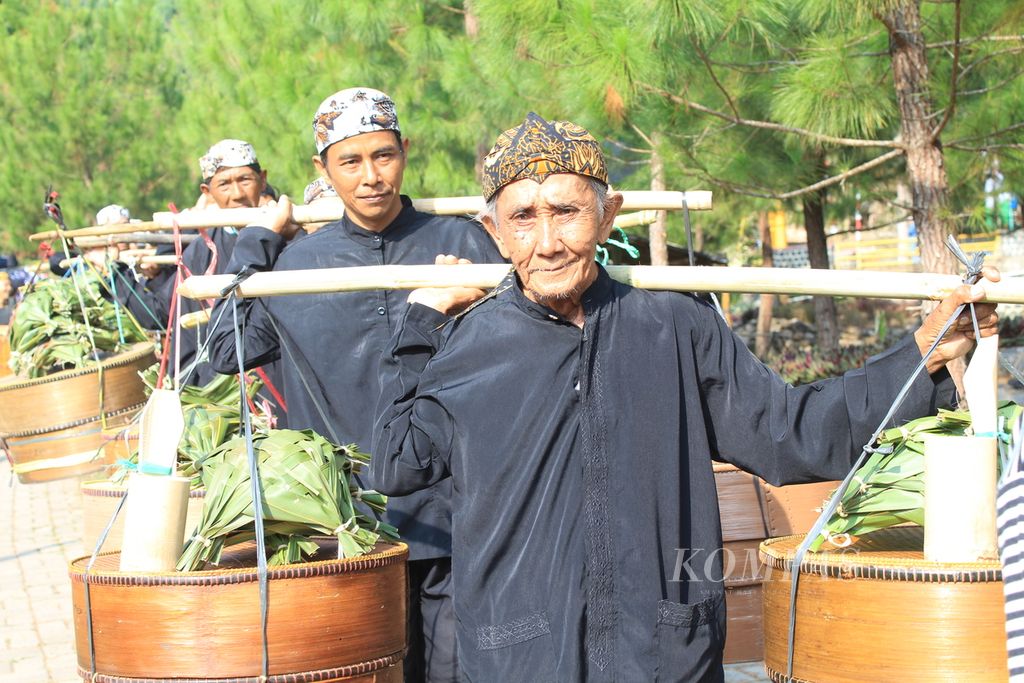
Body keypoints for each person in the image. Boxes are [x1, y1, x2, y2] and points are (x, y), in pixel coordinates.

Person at [370, 112, 1000, 681]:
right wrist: (420, 322)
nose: (548, 242)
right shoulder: (468, 346)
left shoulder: (675, 328)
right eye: (523, 219)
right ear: (495, 233)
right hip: (522, 656)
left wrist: (923, 354)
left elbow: (791, 433)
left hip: (662, 655)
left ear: (608, 214)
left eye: (567, 212)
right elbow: (396, 463)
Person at [206, 87, 505, 682]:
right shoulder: (297, 266)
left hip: (457, 516)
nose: (371, 177)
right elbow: (222, 350)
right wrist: (257, 242)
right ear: (323, 169)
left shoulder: (464, 245)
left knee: (456, 670)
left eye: (384, 156)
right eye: (351, 161)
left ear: (405, 152)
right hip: (347, 523)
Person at [162, 139, 277, 387]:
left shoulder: (287, 239)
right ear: (208, 192)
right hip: (225, 391)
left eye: (245, 180)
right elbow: (187, 347)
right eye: (224, 184)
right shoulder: (198, 255)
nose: (237, 195)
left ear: (263, 179)